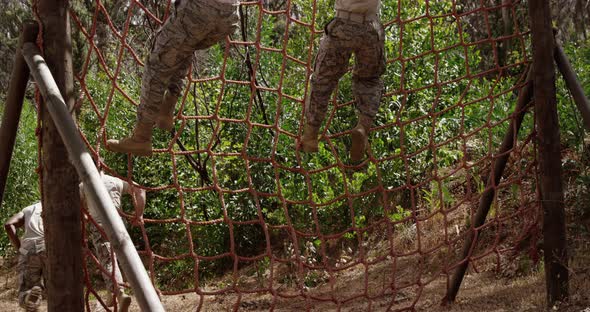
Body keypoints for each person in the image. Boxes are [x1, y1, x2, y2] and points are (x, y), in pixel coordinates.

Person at [106, 0, 240, 156]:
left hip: (201, 9)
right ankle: (167, 110)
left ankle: (141, 136)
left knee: (157, 64)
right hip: (229, 16)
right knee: (183, 47)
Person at [299, 0, 386, 162]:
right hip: (371, 28)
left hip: (342, 26)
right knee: (370, 80)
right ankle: (363, 126)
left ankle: (311, 135)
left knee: (323, 80)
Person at [79, 171, 146, 312]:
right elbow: (140, 189)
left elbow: (78, 208)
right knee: (125, 258)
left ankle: (120, 294)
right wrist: (138, 215)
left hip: (100, 226)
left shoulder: (84, 185)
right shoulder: (115, 181)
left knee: (108, 261)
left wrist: (86, 217)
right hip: (119, 225)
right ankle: (115, 293)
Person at [4, 202, 46, 311]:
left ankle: (28, 296)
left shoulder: (29, 209)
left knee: (28, 287)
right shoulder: (60, 204)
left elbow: (9, 225)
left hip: (28, 248)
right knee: (58, 286)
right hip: (50, 245)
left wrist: (20, 249)